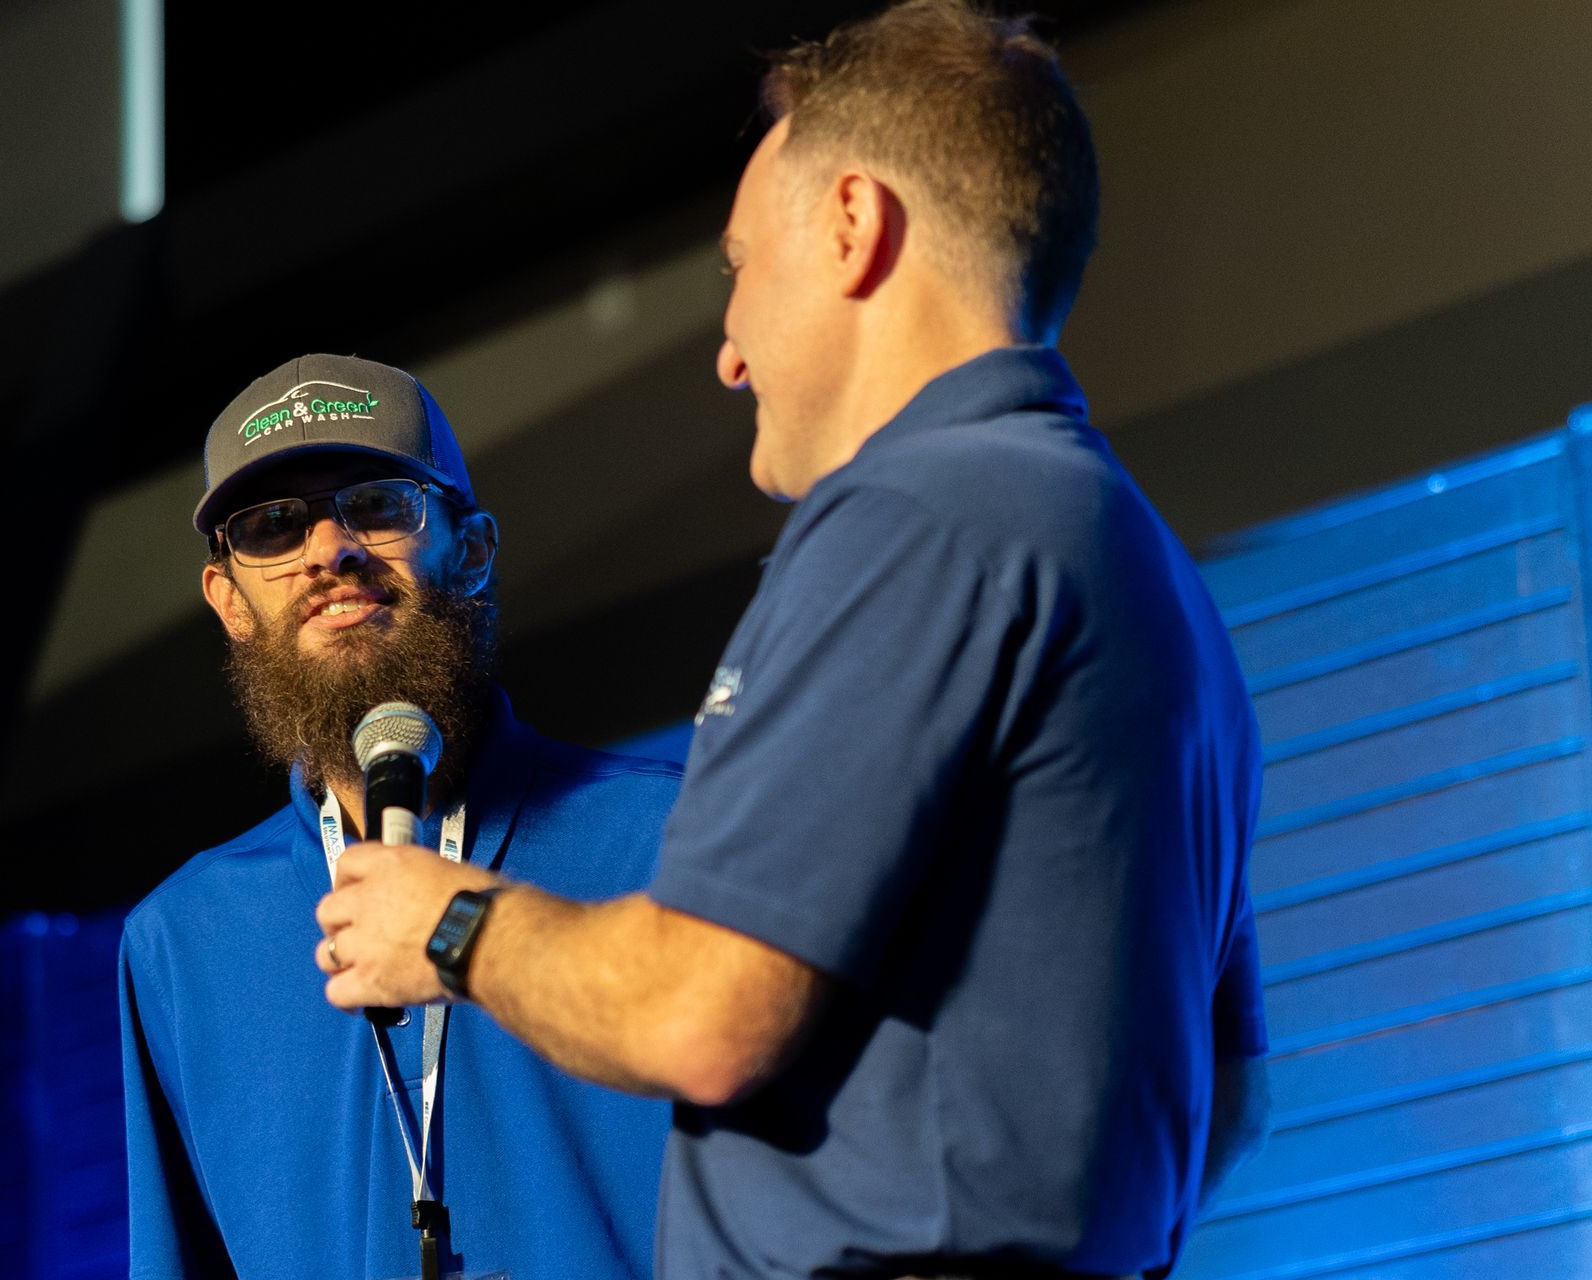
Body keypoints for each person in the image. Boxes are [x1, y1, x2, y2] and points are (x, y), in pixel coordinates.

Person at [316, 3, 1271, 1278]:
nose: (727, 352)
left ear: (851, 225)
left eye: (739, 265)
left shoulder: (909, 515)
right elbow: (1227, 1097)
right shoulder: (1147, 571)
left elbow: (700, 1010)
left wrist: (448, 925)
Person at [117, 353, 682, 1280]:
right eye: (271, 527)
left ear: (471, 548)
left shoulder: (668, 834)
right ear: (229, 602)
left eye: (378, 506)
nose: (327, 549)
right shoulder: (179, 942)